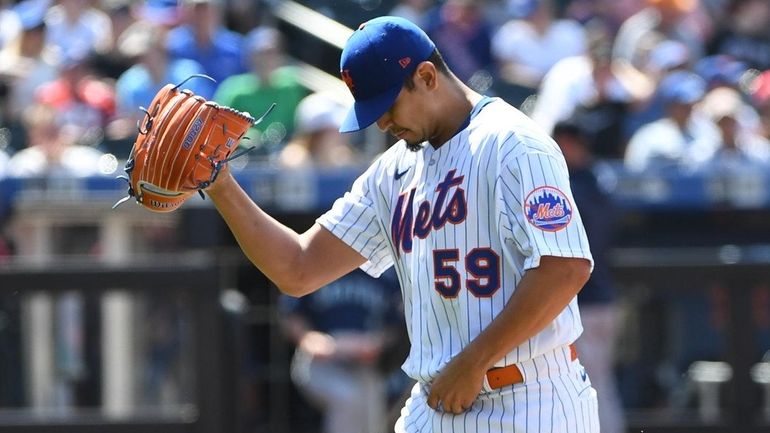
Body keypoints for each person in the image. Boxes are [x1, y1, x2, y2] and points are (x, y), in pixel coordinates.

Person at [204, 16, 598, 432]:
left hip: (530, 399)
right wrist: (222, 186)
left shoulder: (513, 144)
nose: (382, 123)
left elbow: (565, 267)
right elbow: (298, 268)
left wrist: (475, 360)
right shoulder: (393, 171)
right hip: (436, 399)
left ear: (426, 76)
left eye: (388, 104)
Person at [552, 119, 626, 433]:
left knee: (586, 388)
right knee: (599, 384)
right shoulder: (601, 181)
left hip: (583, 301)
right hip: (603, 300)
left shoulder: (573, 186)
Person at [279, 268, 404, 433]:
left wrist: (376, 342)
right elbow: (290, 315)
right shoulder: (318, 260)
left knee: (371, 406)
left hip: (365, 365)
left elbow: (397, 324)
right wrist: (311, 340)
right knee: (348, 398)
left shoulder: (385, 268)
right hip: (319, 363)